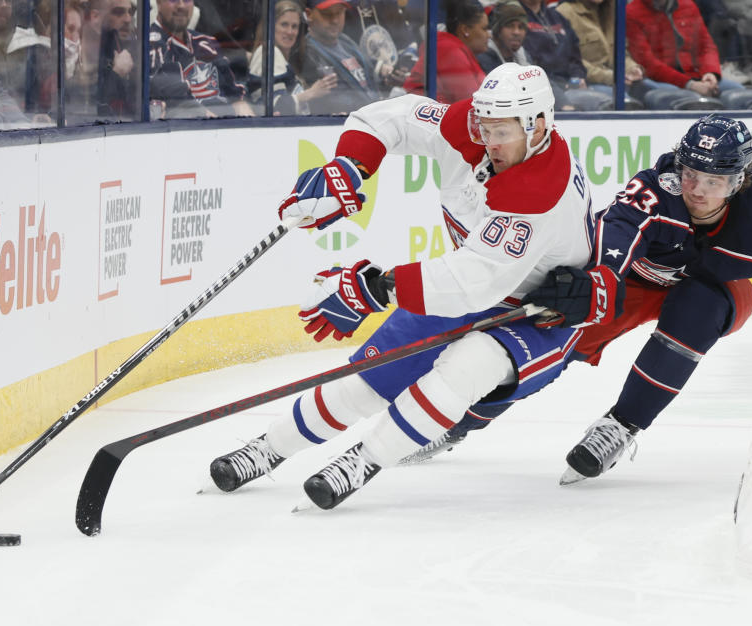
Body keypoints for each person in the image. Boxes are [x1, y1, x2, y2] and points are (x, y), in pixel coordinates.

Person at [208, 62, 598, 510]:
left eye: (502, 132)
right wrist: (351, 165)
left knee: (466, 366)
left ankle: (365, 458)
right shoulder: (471, 126)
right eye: (485, 127)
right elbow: (391, 118)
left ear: (540, 126)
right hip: (474, 284)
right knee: (365, 381)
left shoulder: (540, 190)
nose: (489, 143)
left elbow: (473, 281)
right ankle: (268, 448)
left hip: (541, 313)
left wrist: (375, 288)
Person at [411, 114, 752, 484]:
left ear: (740, 182)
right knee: (550, 342)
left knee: (696, 307)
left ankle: (621, 425)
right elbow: (620, 230)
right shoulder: (655, 190)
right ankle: (461, 421)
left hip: (719, 290)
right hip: (633, 280)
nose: (698, 190)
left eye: (715, 182)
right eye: (690, 175)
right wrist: (598, 282)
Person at [626, 0, 744, 109]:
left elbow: (706, 46)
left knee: (739, 93)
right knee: (685, 99)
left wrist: (710, 73)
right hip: (656, 80)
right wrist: (689, 84)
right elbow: (647, 63)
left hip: (695, 75)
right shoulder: (632, 12)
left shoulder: (687, 5)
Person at [149, 0, 255, 118]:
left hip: (226, 124)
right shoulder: (151, 45)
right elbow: (176, 99)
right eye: (173, 0)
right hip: (192, 129)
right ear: (158, 3)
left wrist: (243, 107)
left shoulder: (206, 42)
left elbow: (233, 91)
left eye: (187, 0)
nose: (181, 6)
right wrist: (211, 122)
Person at [517, 0, 611, 110]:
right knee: (602, 103)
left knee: (618, 98)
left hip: (571, 84)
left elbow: (575, 56)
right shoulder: (515, 18)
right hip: (543, 88)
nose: (515, 30)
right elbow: (526, 61)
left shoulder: (557, 17)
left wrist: (578, 77)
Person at [248, 0, 337, 116]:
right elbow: (275, 109)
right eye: (284, 24)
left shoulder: (286, 59)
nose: (290, 32)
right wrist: (311, 92)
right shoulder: (269, 53)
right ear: (270, 26)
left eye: (294, 26)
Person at [556, 0, 646, 104]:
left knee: (660, 95)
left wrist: (631, 68)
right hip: (589, 83)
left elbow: (620, 52)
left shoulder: (613, 9)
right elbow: (570, 61)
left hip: (622, 80)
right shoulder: (564, 12)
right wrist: (611, 77)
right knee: (626, 104)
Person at [301, 0, 379, 114]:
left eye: (339, 13)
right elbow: (331, 102)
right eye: (327, 14)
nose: (335, 20)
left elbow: (371, 79)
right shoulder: (306, 53)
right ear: (309, 14)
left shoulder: (346, 41)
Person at [403, 0, 488, 104]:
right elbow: (473, 105)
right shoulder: (451, 52)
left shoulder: (454, 49)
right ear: (465, 30)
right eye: (484, 29)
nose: (489, 35)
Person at [96, 0, 139, 119]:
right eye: (118, 12)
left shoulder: (138, 47)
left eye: (130, 12)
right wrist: (116, 74)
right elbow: (93, 107)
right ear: (99, 16)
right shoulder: (92, 51)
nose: (128, 19)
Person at [476, 1, 531, 73]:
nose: (516, 32)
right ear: (497, 30)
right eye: (510, 26)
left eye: (521, 27)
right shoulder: (483, 56)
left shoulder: (523, 54)